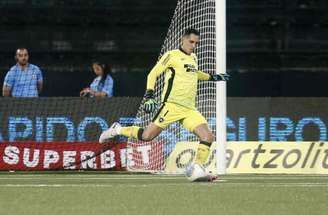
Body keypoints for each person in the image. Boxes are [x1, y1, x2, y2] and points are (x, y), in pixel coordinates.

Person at [99, 28, 228, 180]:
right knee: (147, 136)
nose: (193, 46)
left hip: (189, 109)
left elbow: (194, 73)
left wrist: (212, 77)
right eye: (191, 42)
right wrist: (149, 95)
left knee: (208, 136)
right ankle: (118, 129)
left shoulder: (193, 57)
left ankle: (197, 168)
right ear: (183, 39)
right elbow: (153, 74)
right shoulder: (171, 55)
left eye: (196, 43)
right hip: (171, 106)